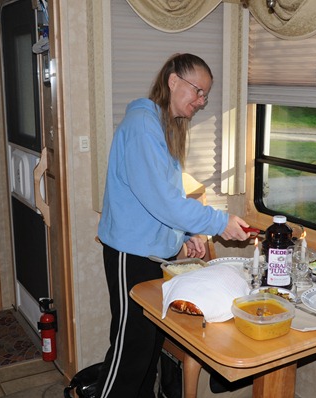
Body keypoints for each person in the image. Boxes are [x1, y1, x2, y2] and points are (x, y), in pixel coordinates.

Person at [96, 53, 251, 398]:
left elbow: (166, 195)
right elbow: (163, 202)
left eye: (206, 95)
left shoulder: (163, 127)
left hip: (150, 254)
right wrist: (218, 222)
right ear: (173, 81)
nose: (201, 101)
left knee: (149, 346)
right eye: (197, 91)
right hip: (129, 253)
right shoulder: (142, 126)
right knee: (130, 349)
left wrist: (187, 234)